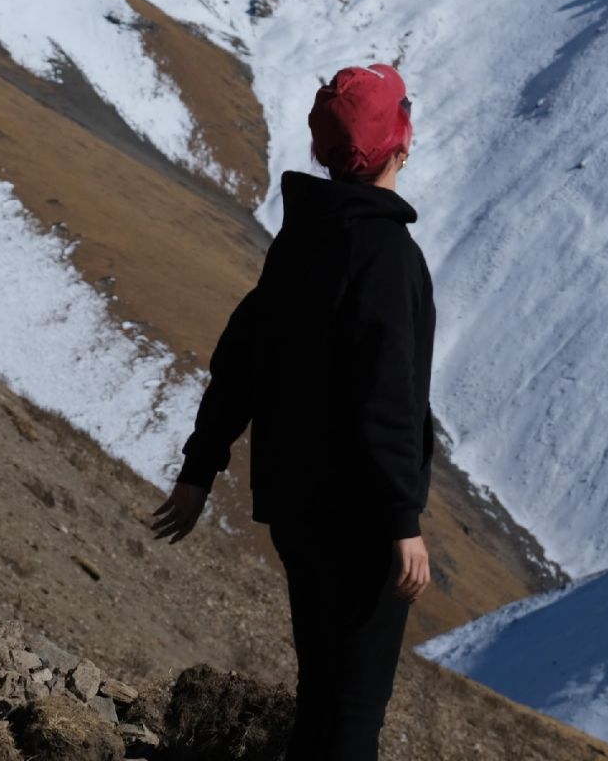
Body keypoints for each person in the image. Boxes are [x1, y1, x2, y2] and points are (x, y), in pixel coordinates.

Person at [151, 61, 436, 761]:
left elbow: (241, 357)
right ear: (402, 143)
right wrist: (402, 520)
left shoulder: (303, 238)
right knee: (355, 714)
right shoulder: (388, 256)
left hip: (297, 512)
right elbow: (387, 397)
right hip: (365, 522)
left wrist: (199, 470)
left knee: (321, 695)